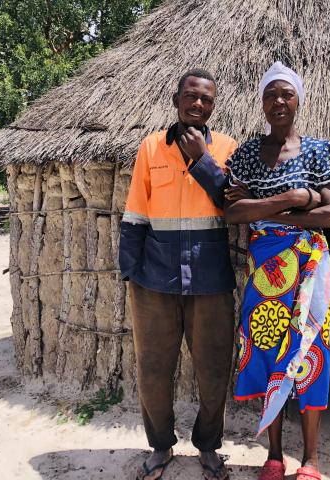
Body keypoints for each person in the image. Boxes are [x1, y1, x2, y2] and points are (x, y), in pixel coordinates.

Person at [224, 62, 330, 480]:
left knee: (313, 351)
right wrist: (294, 198)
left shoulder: (319, 152)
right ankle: (274, 455)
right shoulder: (245, 155)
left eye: (286, 94)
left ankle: (310, 460)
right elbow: (233, 212)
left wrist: (276, 213)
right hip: (266, 272)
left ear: (298, 101)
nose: (279, 101)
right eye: (271, 94)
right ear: (261, 102)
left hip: (309, 268)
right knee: (264, 349)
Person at [119, 68, 237, 480]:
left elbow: (232, 203)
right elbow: (135, 212)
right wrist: (130, 272)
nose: (198, 103)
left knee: (214, 368)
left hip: (211, 279)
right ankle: (161, 446)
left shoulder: (226, 148)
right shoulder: (150, 148)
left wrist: (201, 162)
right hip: (155, 279)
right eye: (191, 96)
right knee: (153, 367)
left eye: (206, 98)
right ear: (177, 100)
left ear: (213, 105)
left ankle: (207, 446)